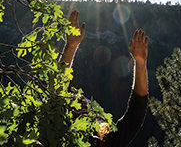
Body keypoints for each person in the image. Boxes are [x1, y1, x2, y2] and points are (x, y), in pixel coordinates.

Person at [60, 10, 149, 147]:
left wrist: (70, 47)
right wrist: (140, 63)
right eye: (78, 100)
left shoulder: (106, 141)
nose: (82, 98)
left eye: (81, 98)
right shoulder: (59, 137)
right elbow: (136, 113)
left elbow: (136, 111)